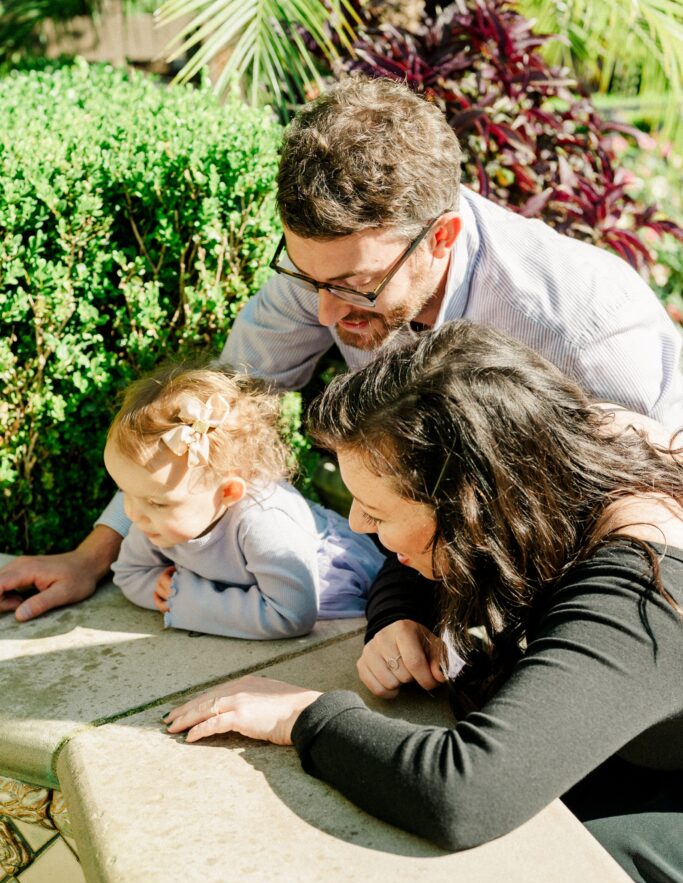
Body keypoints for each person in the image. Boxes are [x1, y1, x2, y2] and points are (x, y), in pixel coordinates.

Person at [1, 74, 681, 622]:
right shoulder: (330, 269)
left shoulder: (581, 321)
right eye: (307, 279)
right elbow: (203, 423)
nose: (325, 312)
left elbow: (651, 504)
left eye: (355, 287)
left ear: (440, 237)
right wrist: (92, 557)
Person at [164, 321, 683, 883]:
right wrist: (398, 615)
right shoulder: (552, 452)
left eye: (376, 512)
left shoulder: (641, 586)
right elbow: (405, 560)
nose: (357, 526)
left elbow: (467, 791)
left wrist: (303, 717)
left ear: (472, 506)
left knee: (563, 875)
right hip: (641, 760)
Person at [103, 363, 383, 638]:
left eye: (157, 503)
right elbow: (129, 574)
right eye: (125, 492)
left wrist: (184, 598)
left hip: (335, 587)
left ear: (228, 493)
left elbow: (291, 615)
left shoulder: (264, 521)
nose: (133, 513)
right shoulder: (154, 519)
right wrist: (161, 587)